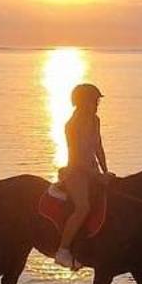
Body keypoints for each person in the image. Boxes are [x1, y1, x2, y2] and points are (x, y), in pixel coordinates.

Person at [55, 82, 108, 268]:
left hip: (93, 170)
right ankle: (63, 250)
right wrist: (96, 174)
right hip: (76, 172)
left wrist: (105, 171)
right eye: (94, 101)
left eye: (97, 101)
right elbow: (77, 158)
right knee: (83, 207)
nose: (96, 105)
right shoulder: (72, 125)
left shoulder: (95, 120)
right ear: (83, 102)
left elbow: (98, 147)